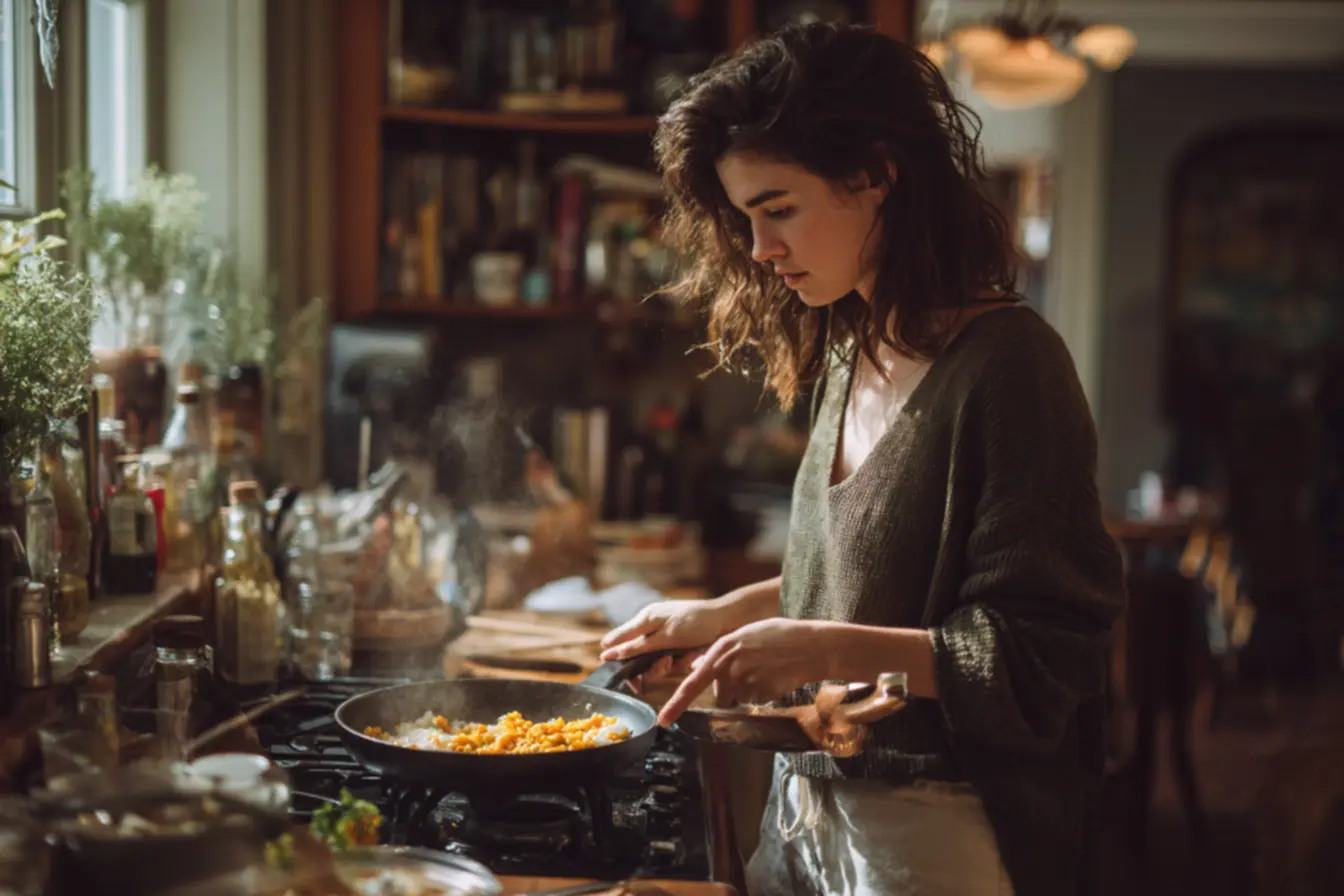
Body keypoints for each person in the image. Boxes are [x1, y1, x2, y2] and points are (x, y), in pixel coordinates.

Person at [599, 22, 1126, 896]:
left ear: (876, 174)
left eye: (779, 209)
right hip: (815, 804)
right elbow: (884, 577)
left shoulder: (1011, 367)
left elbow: (1044, 653)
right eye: (745, 219)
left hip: (943, 829)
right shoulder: (855, 342)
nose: (762, 250)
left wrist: (814, 649)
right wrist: (721, 616)